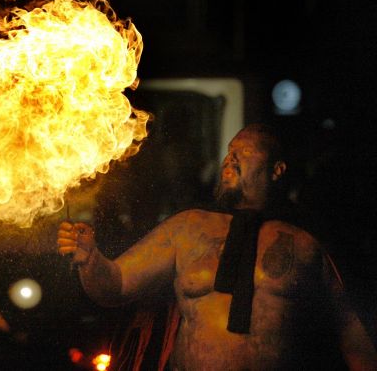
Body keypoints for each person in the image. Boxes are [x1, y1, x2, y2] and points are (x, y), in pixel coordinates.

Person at [57, 123, 377, 370]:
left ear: (277, 170)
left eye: (245, 150)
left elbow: (353, 329)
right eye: (229, 149)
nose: (231, 156)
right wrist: (91, 260)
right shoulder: (188, 228)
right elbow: (116, 285)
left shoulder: (308, 241)